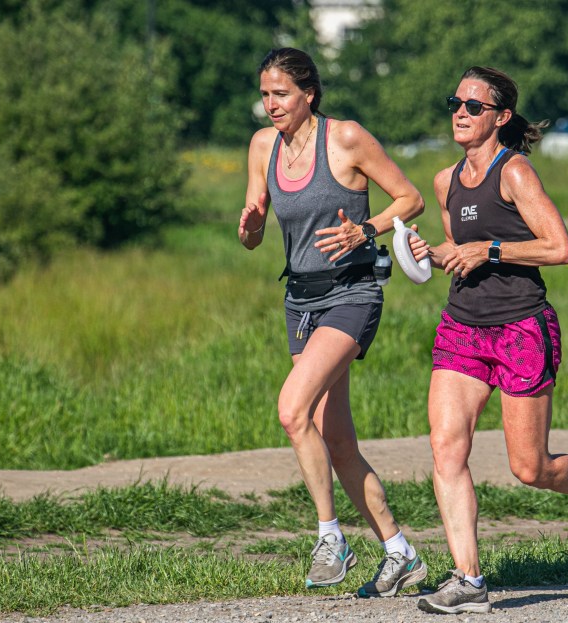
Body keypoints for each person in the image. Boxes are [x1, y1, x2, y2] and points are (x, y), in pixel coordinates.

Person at [411, 67, 568, 615]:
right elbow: (458, 245)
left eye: (473, 106)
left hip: (521, 327)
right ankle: (468, 580)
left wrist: (488, 250)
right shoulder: (445, 181)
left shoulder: (514, 173)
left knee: (530, 468)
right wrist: (433, 252)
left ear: (501, 117)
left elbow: (559, 247)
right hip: (462, 326)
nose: (460, 113)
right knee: (446, 447)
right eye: (454, 103)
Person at [238, 47, 427, 597]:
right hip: (299, 299)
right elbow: (251, 234)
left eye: (281, 94)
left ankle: (330, 538)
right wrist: (249, 226)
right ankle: (400, 552)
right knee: (335, 438)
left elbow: (409, 199)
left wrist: (364, 230)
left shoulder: (344, 138)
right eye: (265, 94)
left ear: (308, 94)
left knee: (292, 410)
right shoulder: (262, 146)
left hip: (353, 294)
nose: (270, 104)